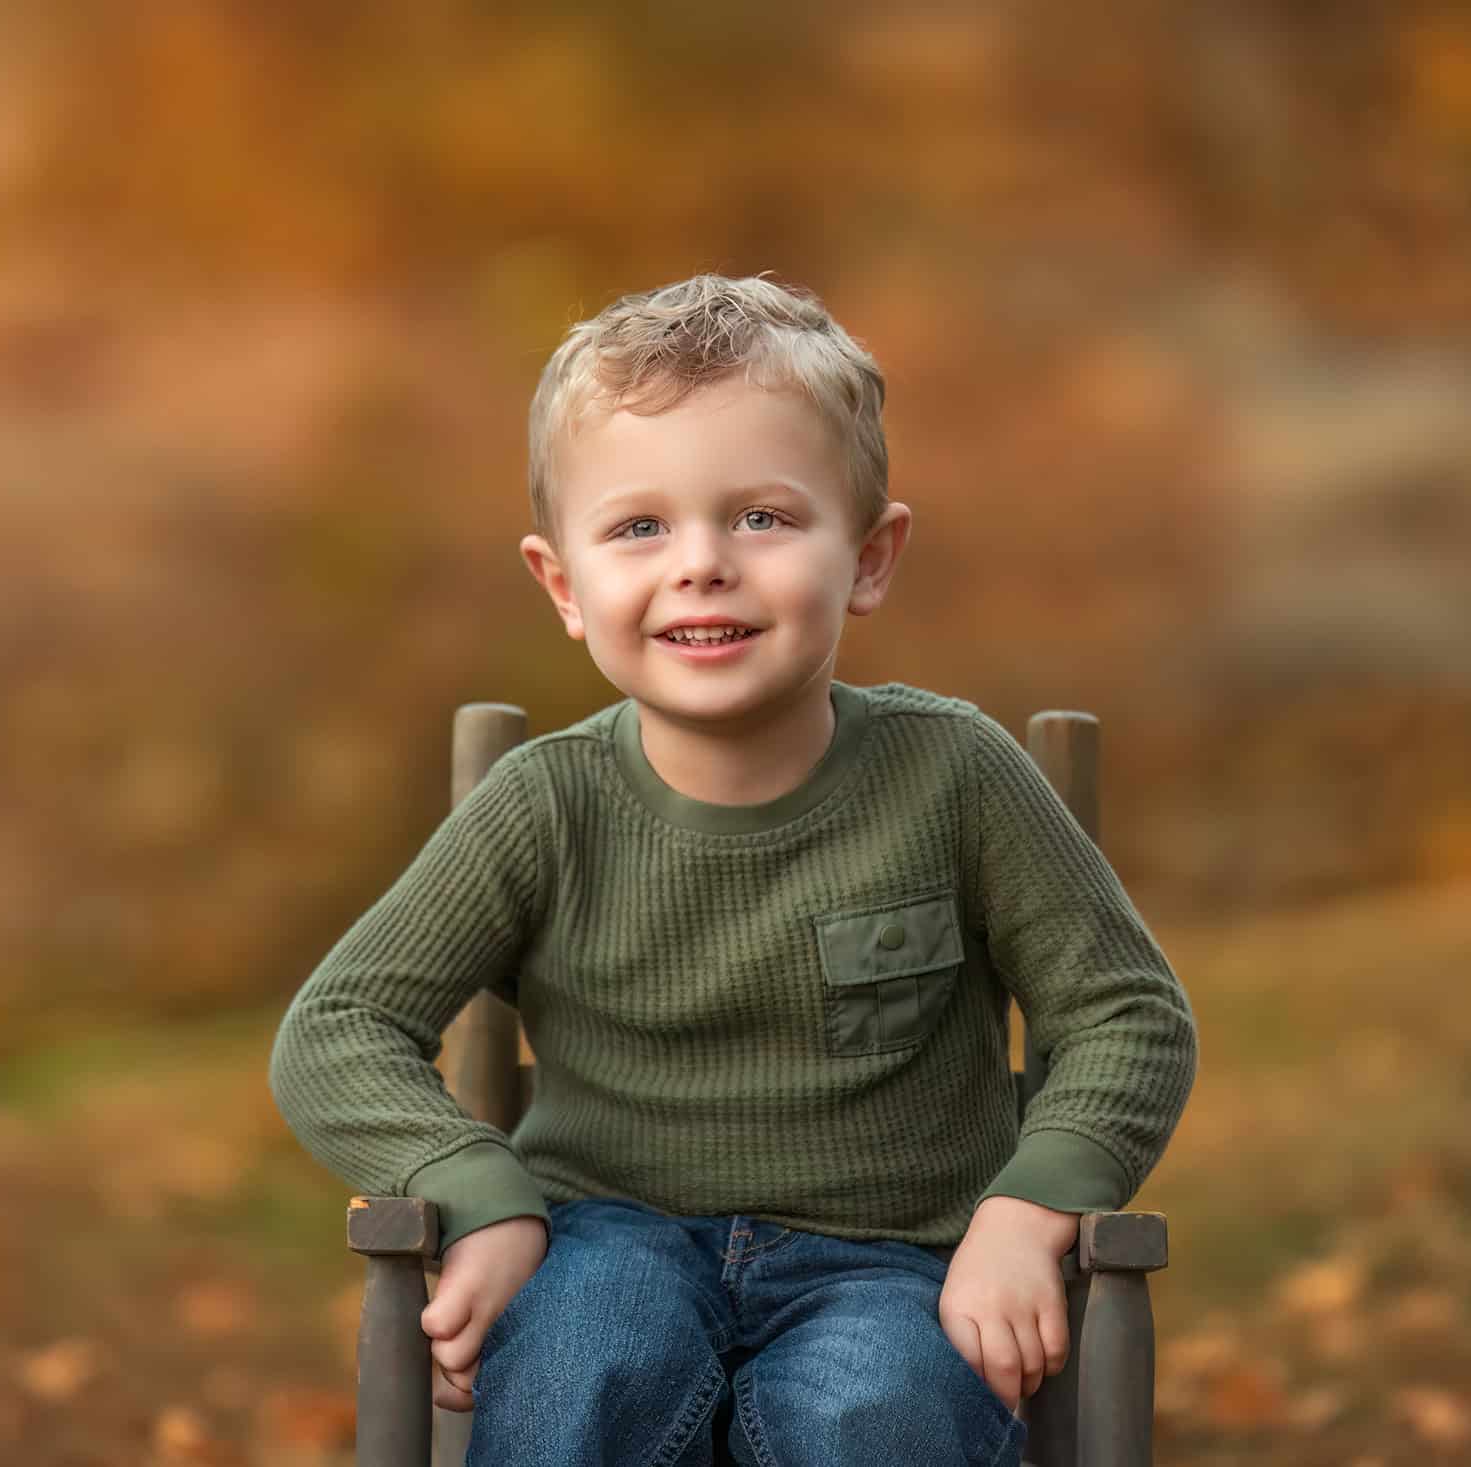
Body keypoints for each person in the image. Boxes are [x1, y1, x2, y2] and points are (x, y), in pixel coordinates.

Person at [269, 273, 1198, 1467]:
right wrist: (477, 1191)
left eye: (761, 517)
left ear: (868, 559)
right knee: (580, 1372)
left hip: (896, 1258)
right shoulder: (545, 808)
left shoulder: (953, 776)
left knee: (881, 1419)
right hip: (603, 1238)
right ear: (564, 585)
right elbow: (338, 1023)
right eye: (638, 527)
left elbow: (1125, 1011)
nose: (701, 564)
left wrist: (1025, 1215)